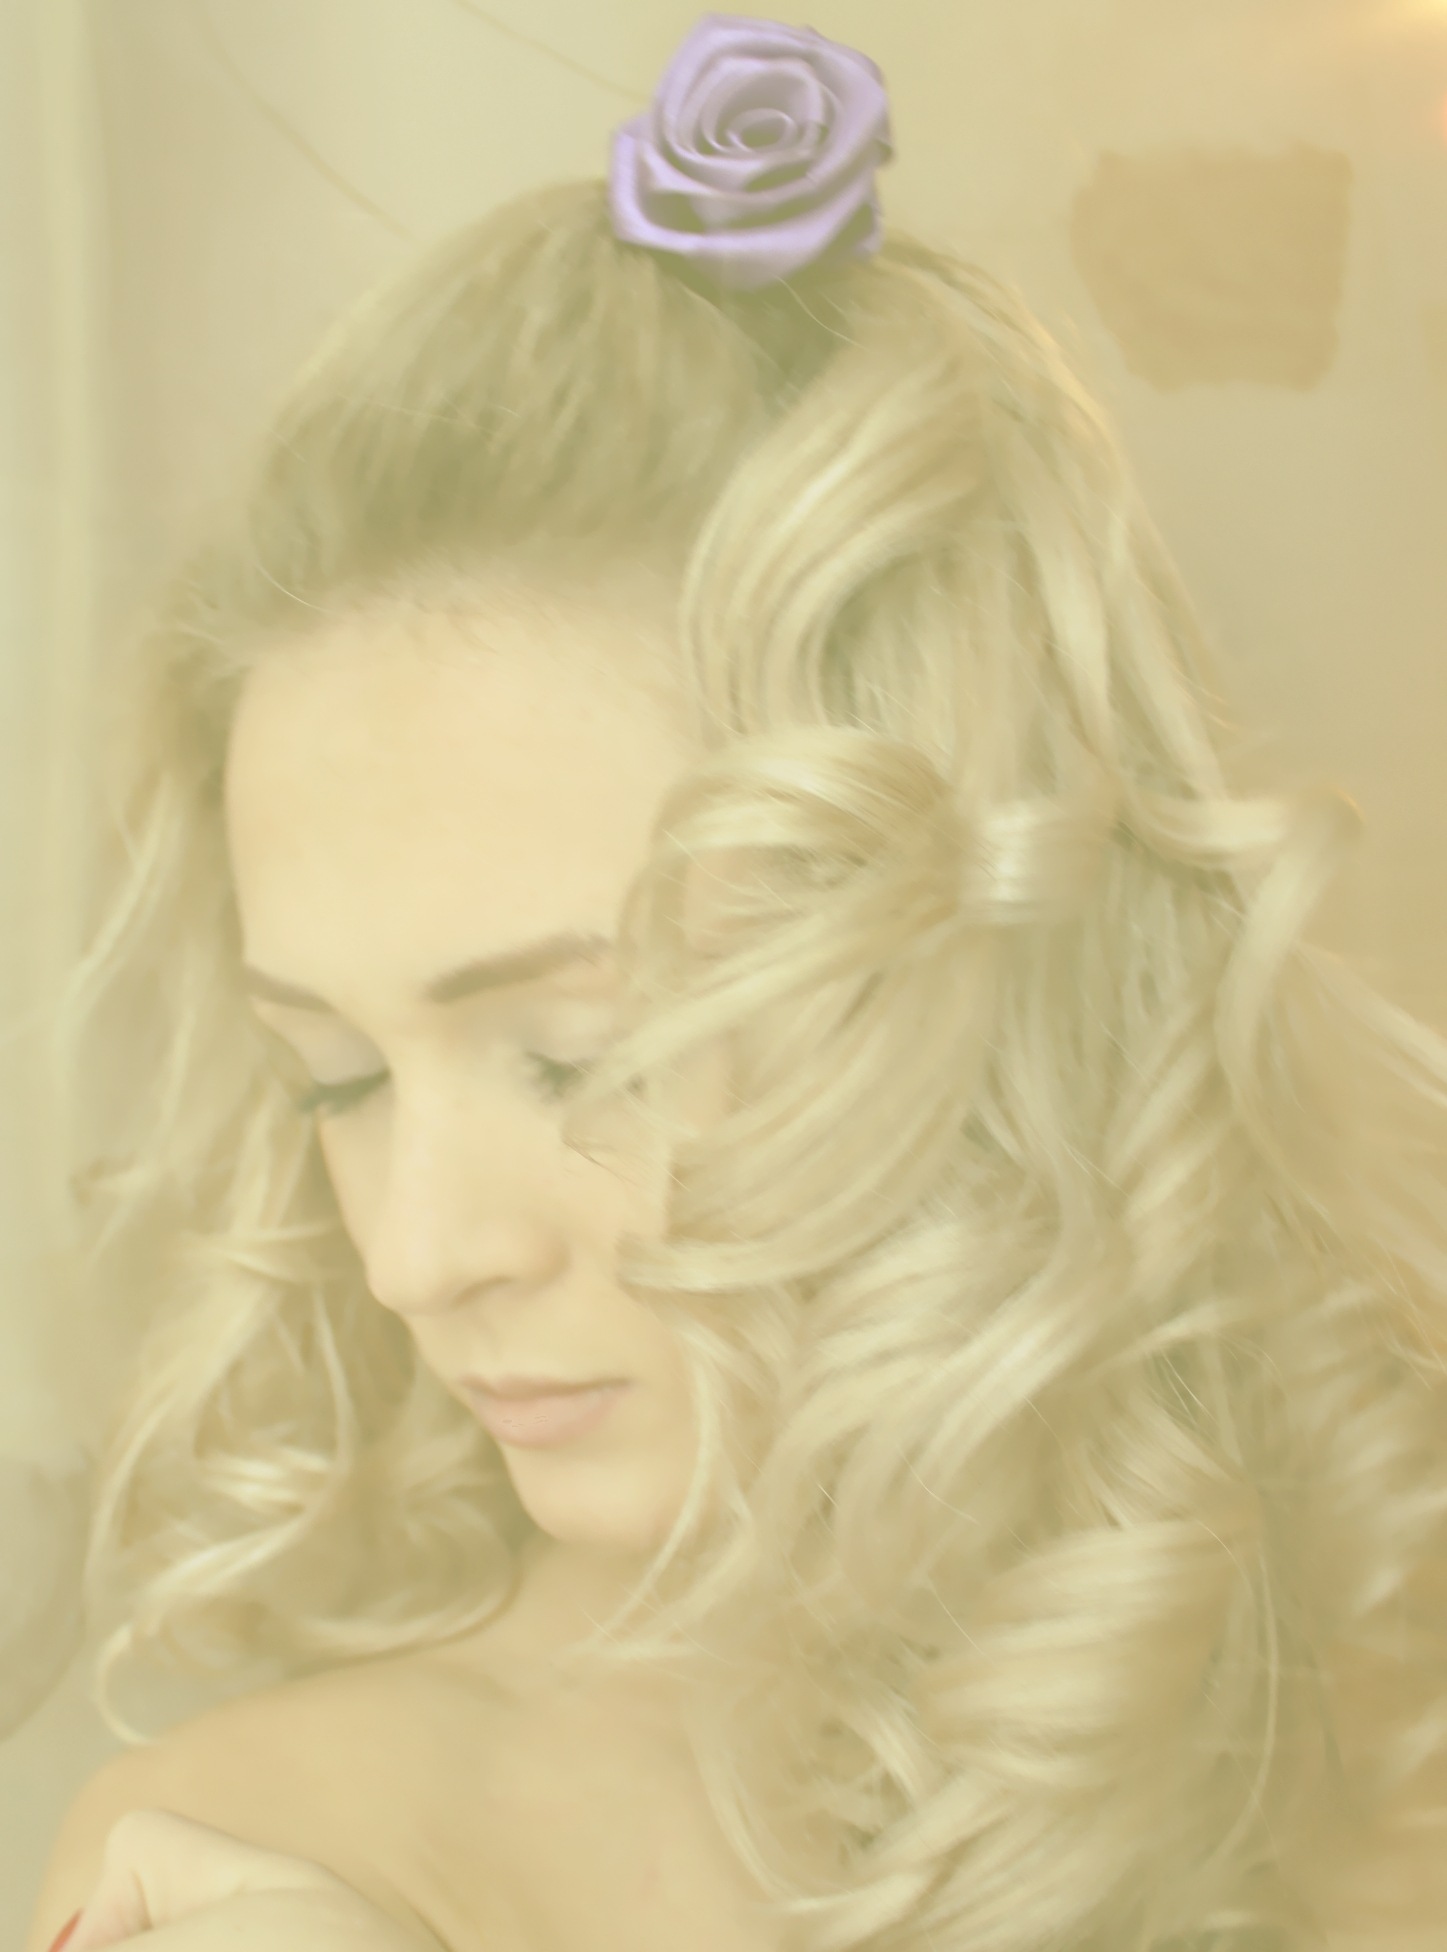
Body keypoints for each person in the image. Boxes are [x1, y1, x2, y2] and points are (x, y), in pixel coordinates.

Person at [24, 14, 1447, 1952]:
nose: (419, 1255)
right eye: (337, 1078)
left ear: (974, 972)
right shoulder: (276, 1856)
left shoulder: (1373, 1702)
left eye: (576, 1056)